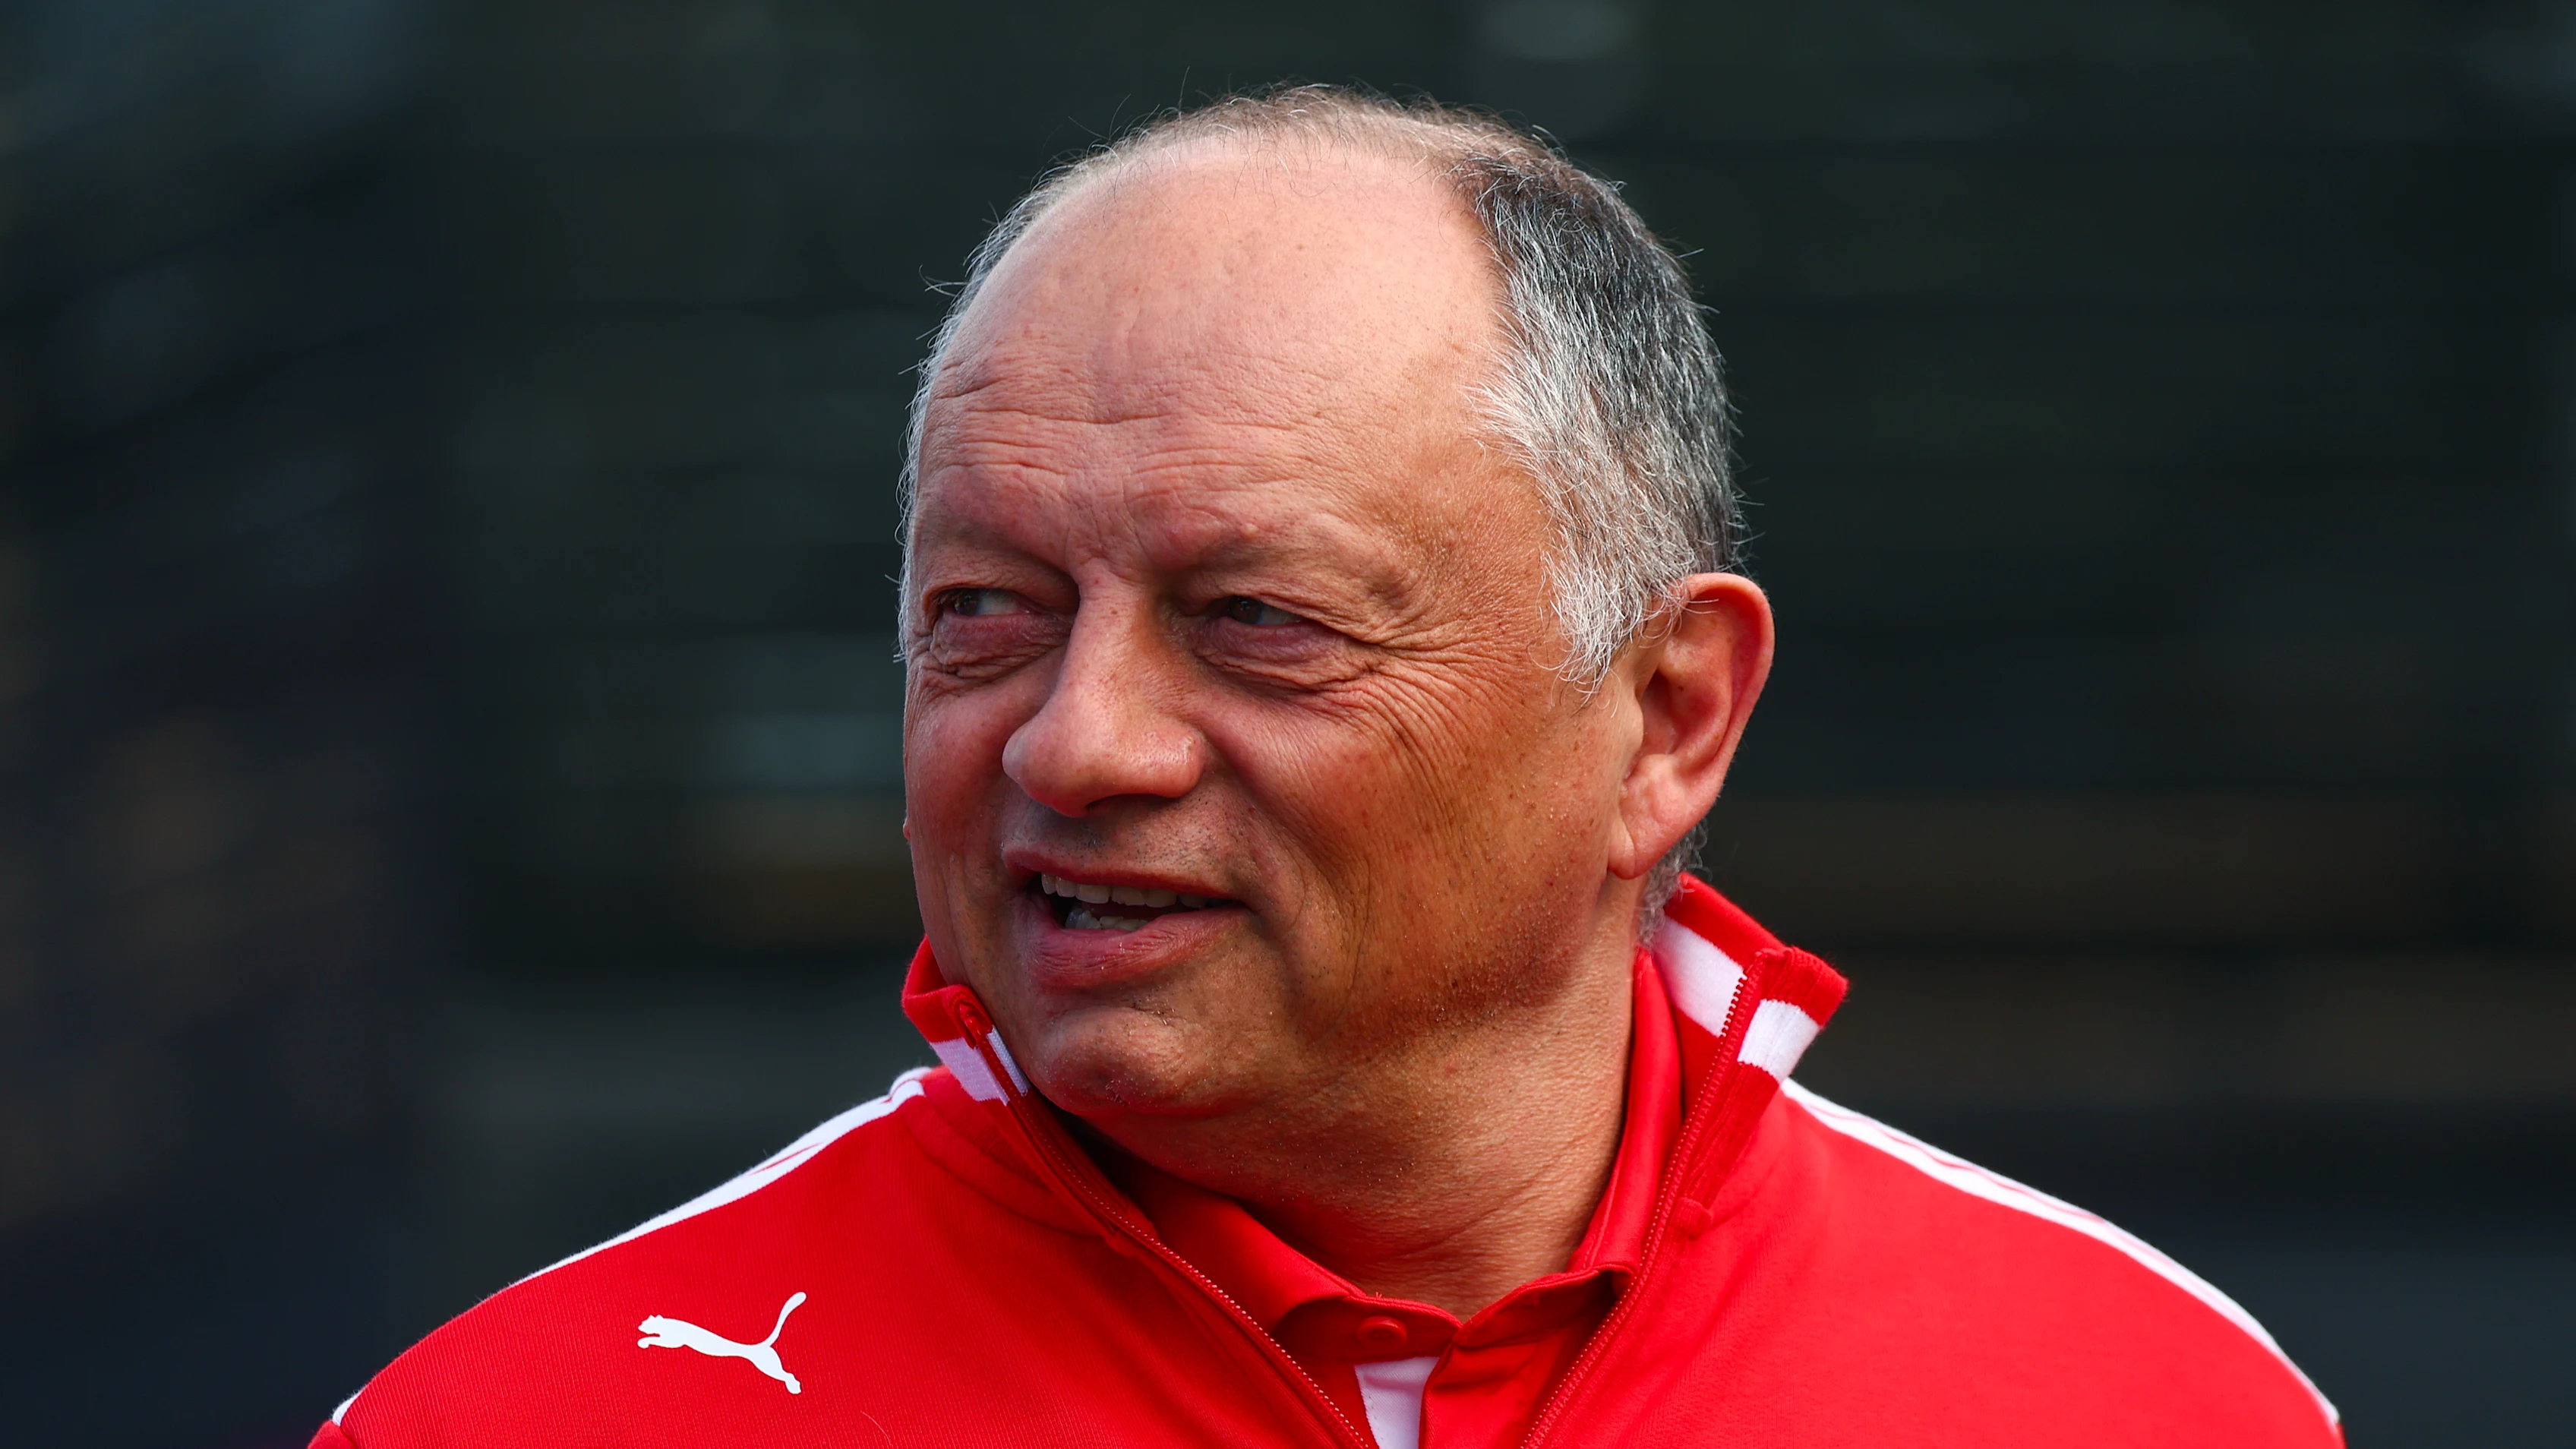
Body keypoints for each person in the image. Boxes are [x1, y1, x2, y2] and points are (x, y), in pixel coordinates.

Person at [315, 88, 2341, 1448]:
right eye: (986, 613)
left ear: (1665, 718)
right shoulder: (549, 1410)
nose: (1072, 741)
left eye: (1259, 618)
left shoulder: (2140, 1395)